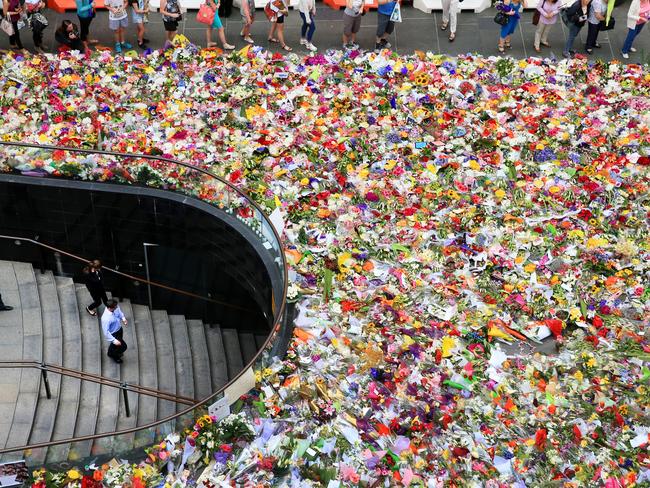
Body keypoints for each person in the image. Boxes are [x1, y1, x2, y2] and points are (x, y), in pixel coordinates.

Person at [101, 299, 128, 363]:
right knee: (124, 347)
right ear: (110, 308)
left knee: (115, 345)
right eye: (115, 307)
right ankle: (114, 356)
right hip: (114, 333)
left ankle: (110, 353)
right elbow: (106, 332)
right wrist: (114, 340)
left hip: (119, 329)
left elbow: (119, 312)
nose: (117, 307)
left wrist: (123, 318)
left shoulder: (115, 307)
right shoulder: (105, 319)